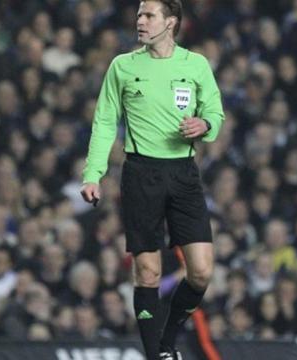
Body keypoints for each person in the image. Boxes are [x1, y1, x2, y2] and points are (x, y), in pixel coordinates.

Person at [80, 1, 224, 359]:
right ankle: (155, 355)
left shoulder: (195, 65)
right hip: (141, 173)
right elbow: (104, 122)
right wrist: (93, 174)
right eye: (139, 14)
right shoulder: (123, 66)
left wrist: (205, 125)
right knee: (147, 273)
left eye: (149, 15)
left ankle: (167, 341)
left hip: (183, 173)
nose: (140, 21)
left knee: (202, 272)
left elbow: (215, 111)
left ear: (170, 22)